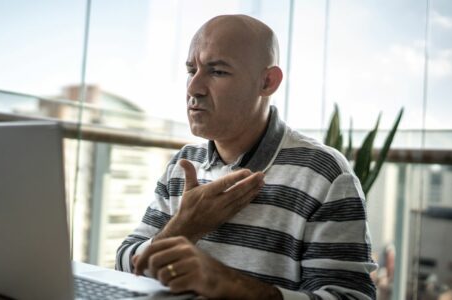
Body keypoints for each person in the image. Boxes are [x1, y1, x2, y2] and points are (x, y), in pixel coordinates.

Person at [115, 14, 376, 299]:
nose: (193, 88)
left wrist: (231, 286)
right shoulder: (183, 164)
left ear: (267, 82)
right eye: (192, 70)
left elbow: (350, 296)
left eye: (217, 72)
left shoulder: (323, 173)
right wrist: (184, 228)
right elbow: (124, 266)